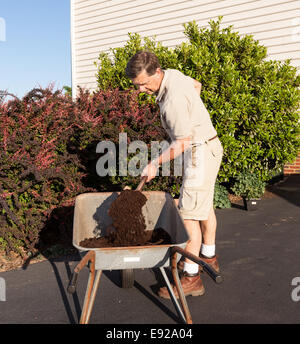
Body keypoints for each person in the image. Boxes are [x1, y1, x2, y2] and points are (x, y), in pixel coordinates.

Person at [125, 51, 223, 298]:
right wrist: (191, 113)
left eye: (144, 84)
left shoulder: (172, 101)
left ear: (156, 72)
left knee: (188, 215)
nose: (141, 90)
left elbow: (180, 143)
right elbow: (196, 84)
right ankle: (208, 258)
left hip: (199, 152)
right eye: (137, 85)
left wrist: (154, 163)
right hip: (206, 147)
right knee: (203, 207)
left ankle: (192, 278)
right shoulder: (174, 75)